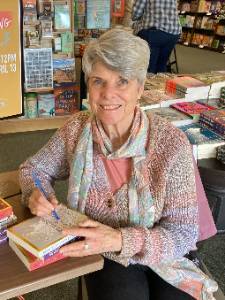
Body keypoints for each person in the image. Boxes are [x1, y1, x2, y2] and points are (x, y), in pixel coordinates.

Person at [19, 29, 217, 300]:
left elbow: (182, 233)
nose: (108, 94)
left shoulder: (172, 143)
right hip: (105, 253)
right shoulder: (76, 131)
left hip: (164, 250)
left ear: (139, 87)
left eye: (122, 81)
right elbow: (33, 170)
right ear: (88, 84)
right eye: (98, 81)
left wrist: (122, 239)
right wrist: (35, 192)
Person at [132, 0, 181, 73]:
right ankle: (160, 81)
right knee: (161, 65)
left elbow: (135, 14)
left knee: (149, 67)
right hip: (174, 32)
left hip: (155, 32)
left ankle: (148, 80)